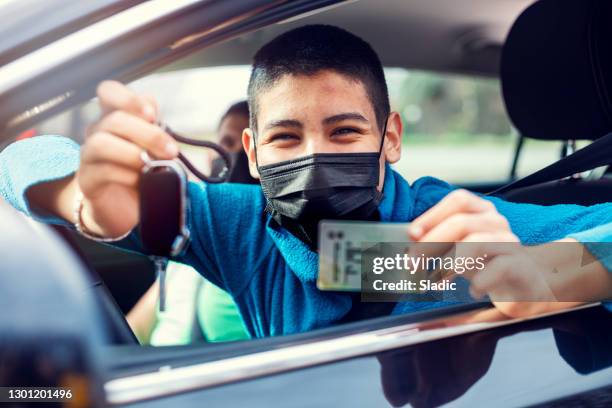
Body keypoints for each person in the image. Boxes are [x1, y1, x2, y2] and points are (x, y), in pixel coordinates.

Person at [1, 25, 611, 338]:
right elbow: (17, 161)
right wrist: (85, 201)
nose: (315, 156)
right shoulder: (241, 226)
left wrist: (553, 272)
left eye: (345, 131)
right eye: (287, 137)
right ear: (254, 151)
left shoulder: (449, 227)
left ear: (390, 137)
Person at [127, 101, 254, 345]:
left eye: (249, 146)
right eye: (226, 143)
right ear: (209, 154)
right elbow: (136, 327)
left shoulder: (268, 246)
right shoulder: (185, 232)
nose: (235, 155)